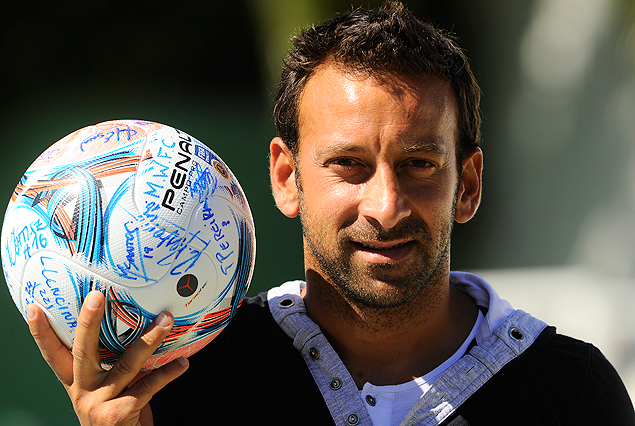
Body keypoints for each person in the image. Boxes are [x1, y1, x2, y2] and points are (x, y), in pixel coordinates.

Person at [26, 2, 635, 425]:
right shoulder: (184, 385)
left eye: (419, 163)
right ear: (287, 179)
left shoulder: (571, 393)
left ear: (468, 185)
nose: (386, 205)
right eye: (348, 164)